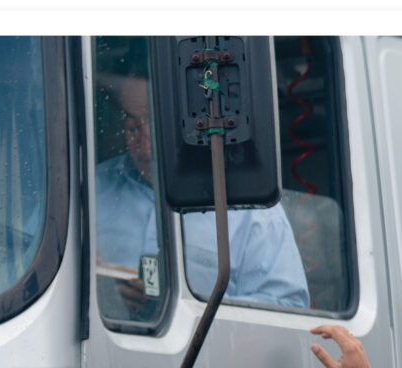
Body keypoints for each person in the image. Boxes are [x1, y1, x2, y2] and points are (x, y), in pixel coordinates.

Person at [95, 74, 309, 317]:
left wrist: (181, 303)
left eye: (156, 127)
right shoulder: (92, 191)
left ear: (190, 121)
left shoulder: (249, 203)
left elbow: (287, 307)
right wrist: (103, 286)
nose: (144, 147)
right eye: (133, 127)